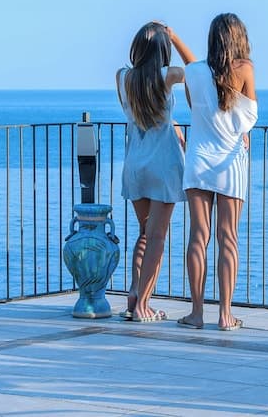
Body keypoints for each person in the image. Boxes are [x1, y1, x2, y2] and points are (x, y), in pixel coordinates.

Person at [177, 13, 257, 331]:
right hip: (230, 164)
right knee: (228, 239)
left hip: (198, 160)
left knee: (199, 236)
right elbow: (249, 117)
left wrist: (174, 38)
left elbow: (195, 105)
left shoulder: (193, 72)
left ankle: (197, 313)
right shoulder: (244, 68)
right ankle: (225, 315)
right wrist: (241, 130)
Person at [116, 21, 195, 322]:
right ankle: (143, 306)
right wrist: (174, 36)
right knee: (157, 237)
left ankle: (134, 294)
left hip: (135, 164)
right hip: (163, 164)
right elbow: (196, 69)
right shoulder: (167, 76)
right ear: (162, 49)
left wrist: (169, 121)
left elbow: (138, 114)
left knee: (144, 233)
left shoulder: (122, 77)